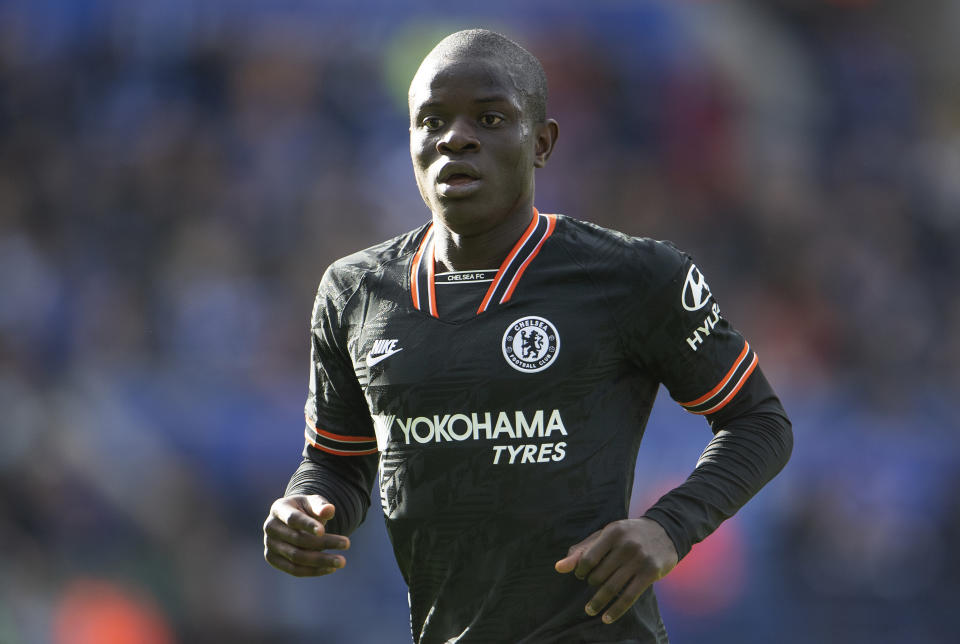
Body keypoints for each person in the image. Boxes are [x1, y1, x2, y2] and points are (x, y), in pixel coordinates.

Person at [263, 28, 792, 643]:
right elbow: (337, 461)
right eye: (431, 120)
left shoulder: (632, 276)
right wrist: (303, 507)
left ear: (542, 143)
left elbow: (759, 422)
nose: (455, 138)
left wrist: (670, 527)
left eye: (490, 117)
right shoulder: (354, 292)